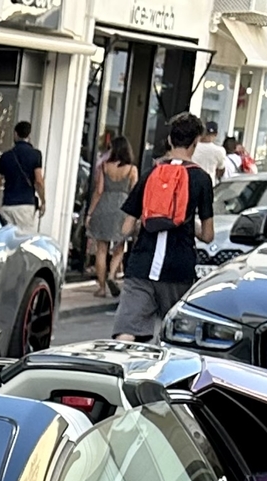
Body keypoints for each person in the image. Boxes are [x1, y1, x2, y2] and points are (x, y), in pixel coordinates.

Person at [112, 113, 214, 344]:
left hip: (142, 266)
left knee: (126, 332)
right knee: (173, 338)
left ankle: (120, 373)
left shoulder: (150, 174)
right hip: (178, 269)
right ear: (195, 143)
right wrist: (185, 221)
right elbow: (208, 235)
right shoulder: (201, 179)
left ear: (169, 140)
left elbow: (126, 227)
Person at [85, 136, 138, 299]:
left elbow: (98, 191)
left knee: (101, 249)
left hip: (104, 206)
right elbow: (134, 193)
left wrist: (89, 213)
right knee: (119, 247)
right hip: (122, 208)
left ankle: (101, 288)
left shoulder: (104, 167)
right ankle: (111, 275)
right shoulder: (131, 169)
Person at [0, 120, 42, 231]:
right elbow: (39, 181)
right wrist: (43, 201)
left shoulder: (5, 156)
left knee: (6, 240)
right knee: (24, 241)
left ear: (15, 134)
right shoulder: (36, 155)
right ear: (29, 136)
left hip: (8, 204)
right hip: (26, 205)